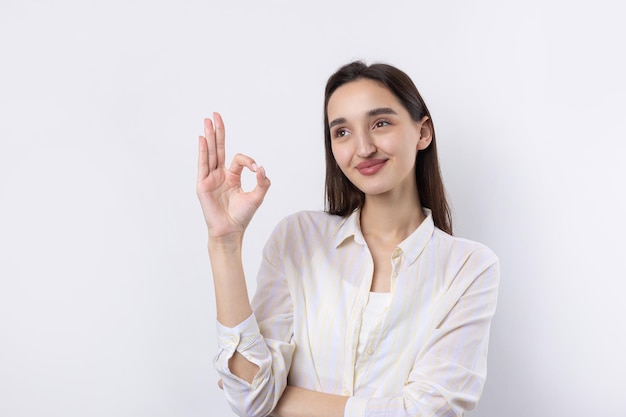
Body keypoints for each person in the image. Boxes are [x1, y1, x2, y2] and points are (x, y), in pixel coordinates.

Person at [196, 61, 500, 417]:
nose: (364, 148)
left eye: (380, 123)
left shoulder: (469, 267)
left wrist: (278, 399)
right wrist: (224, 244)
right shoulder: (297, 239)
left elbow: (426, 412)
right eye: (342, 132)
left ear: (423, 132)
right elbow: (248, 398)